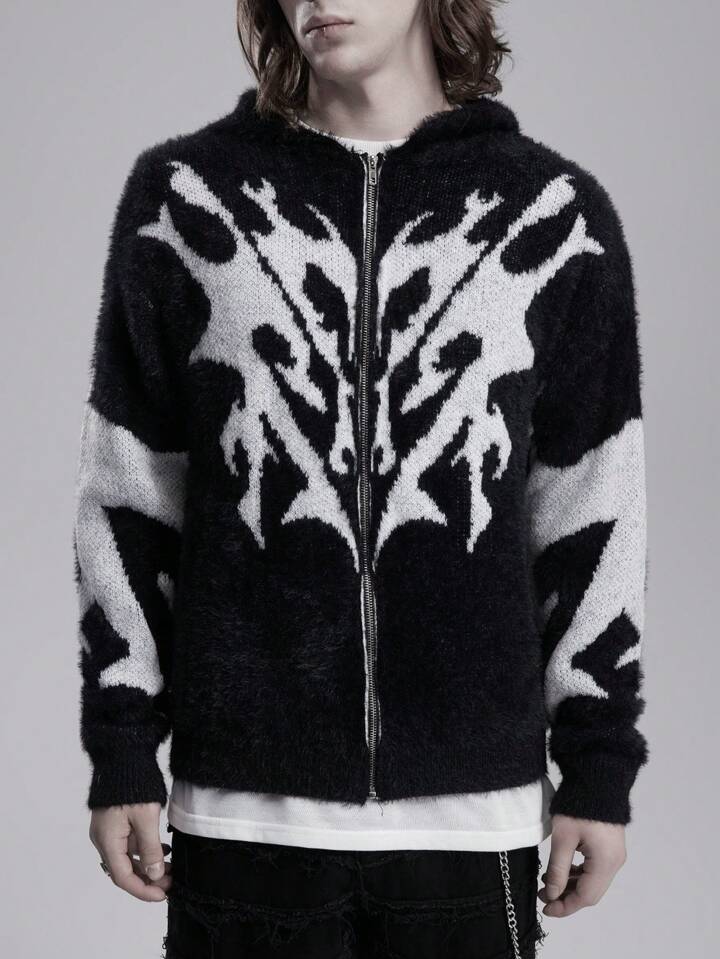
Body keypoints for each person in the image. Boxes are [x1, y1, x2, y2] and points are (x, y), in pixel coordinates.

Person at [73, 1, 649, 956]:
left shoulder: (553, 215)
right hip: (244, 821)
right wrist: (123, 746)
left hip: (471, 827)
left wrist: (599, 766)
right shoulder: (186, 200)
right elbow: (129, 492)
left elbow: (592, 503)